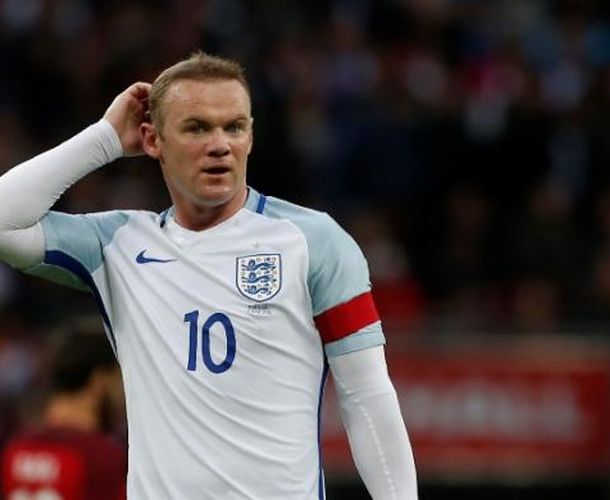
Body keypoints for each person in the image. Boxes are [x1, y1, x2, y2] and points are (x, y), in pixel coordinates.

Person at [0, 52, 418, 498]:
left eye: (234, 126)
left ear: (251, 137)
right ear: (152, 140)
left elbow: (367, 396)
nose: (220, 144)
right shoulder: (117, 245)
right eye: (197, 127)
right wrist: (103, 139)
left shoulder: (312, 242)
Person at [1, 318, 126, 500]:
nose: (121, 397)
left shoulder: (15, 447)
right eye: (118, 382)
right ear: (99, 381)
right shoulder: (104, 458)